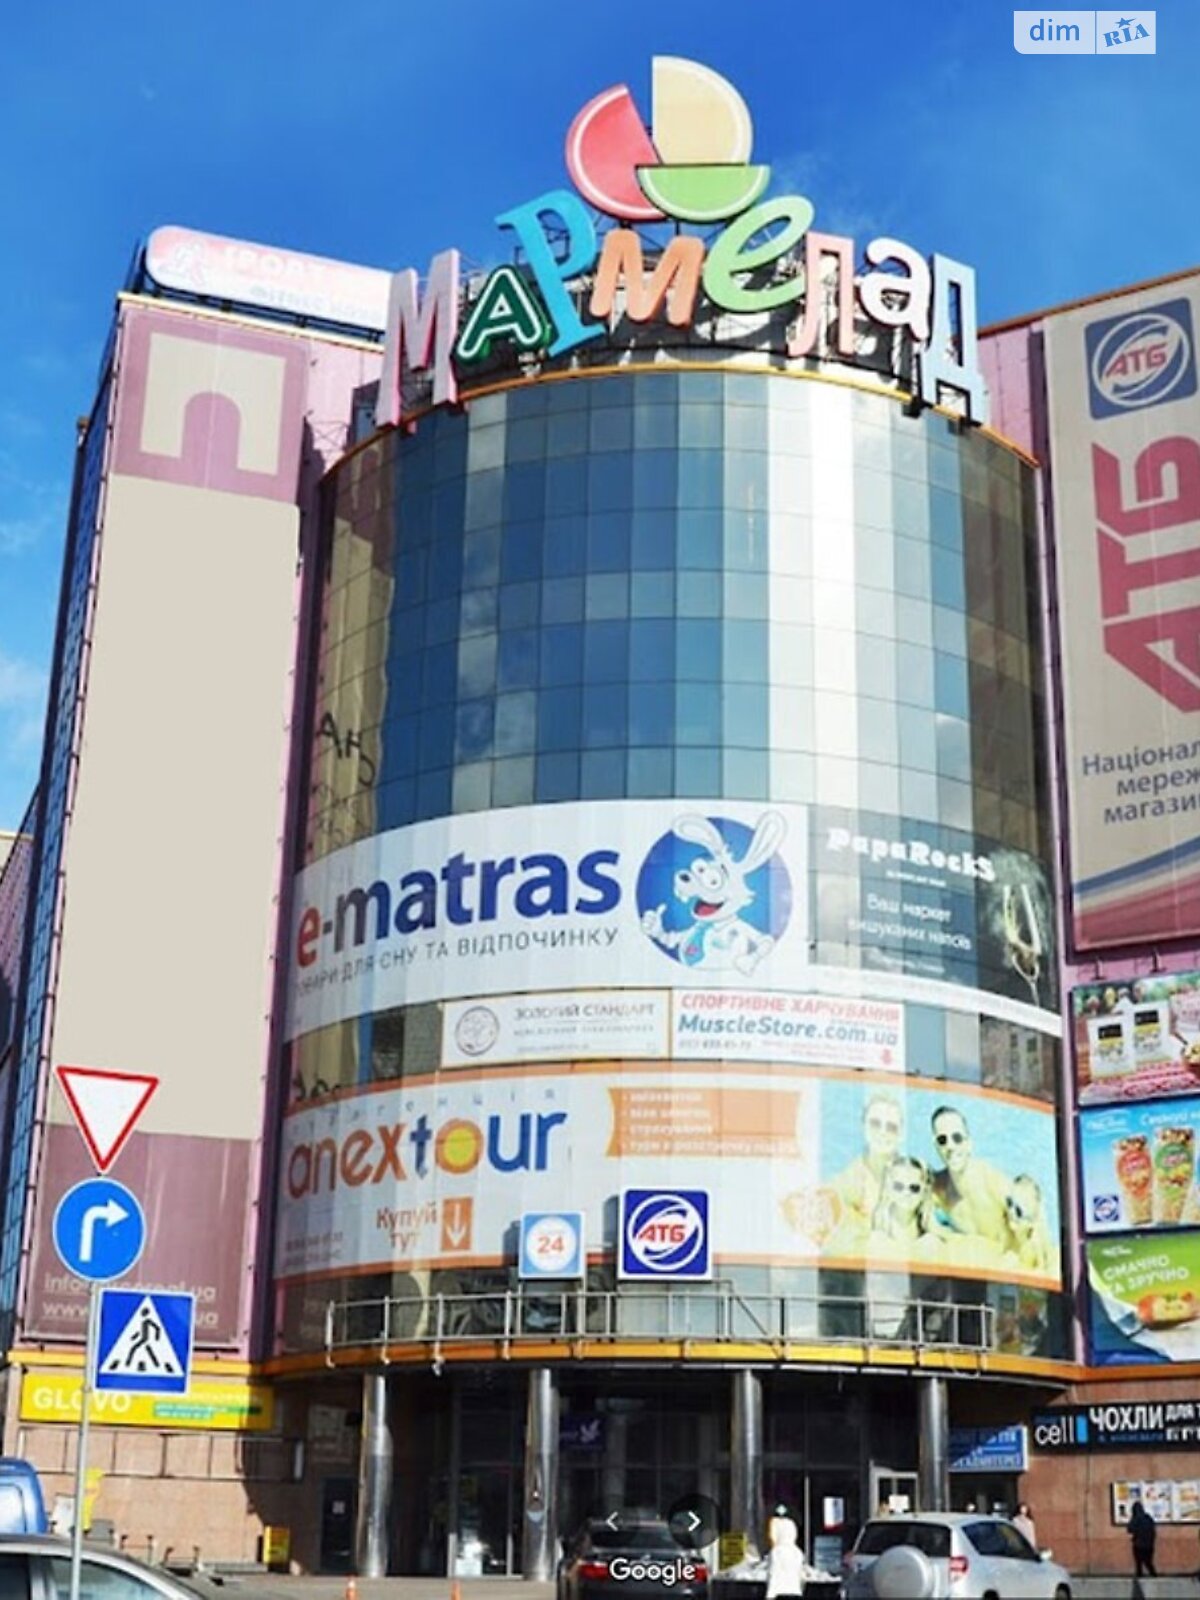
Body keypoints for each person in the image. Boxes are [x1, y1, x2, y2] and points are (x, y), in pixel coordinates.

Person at [929, 1105, 1013, 1247]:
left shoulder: (993, 1182)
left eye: (957, 1138)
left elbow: (1031, 1219)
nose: (950, 1146)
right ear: (936, 1146)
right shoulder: (937, 1189)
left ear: (969, 1143)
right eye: (942, 1140)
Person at [765, 1503, 803, 1600]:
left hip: (779, 1594)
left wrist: (769, 1596)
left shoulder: (777, 1552)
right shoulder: (798, 1553)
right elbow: (800, 1577)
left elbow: (773, 1575)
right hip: (795, 1592)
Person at [1128, 1499, 1157, 1578]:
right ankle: (1154, 1575)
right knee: (1148, 1561)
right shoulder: (1148, 1518)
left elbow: (1130, 1529)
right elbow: (1153, 1530)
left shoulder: (1135, 1519)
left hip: (1138, 1544)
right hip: (1149, 1544)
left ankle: (1139, 1575)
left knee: (1139, 1562)